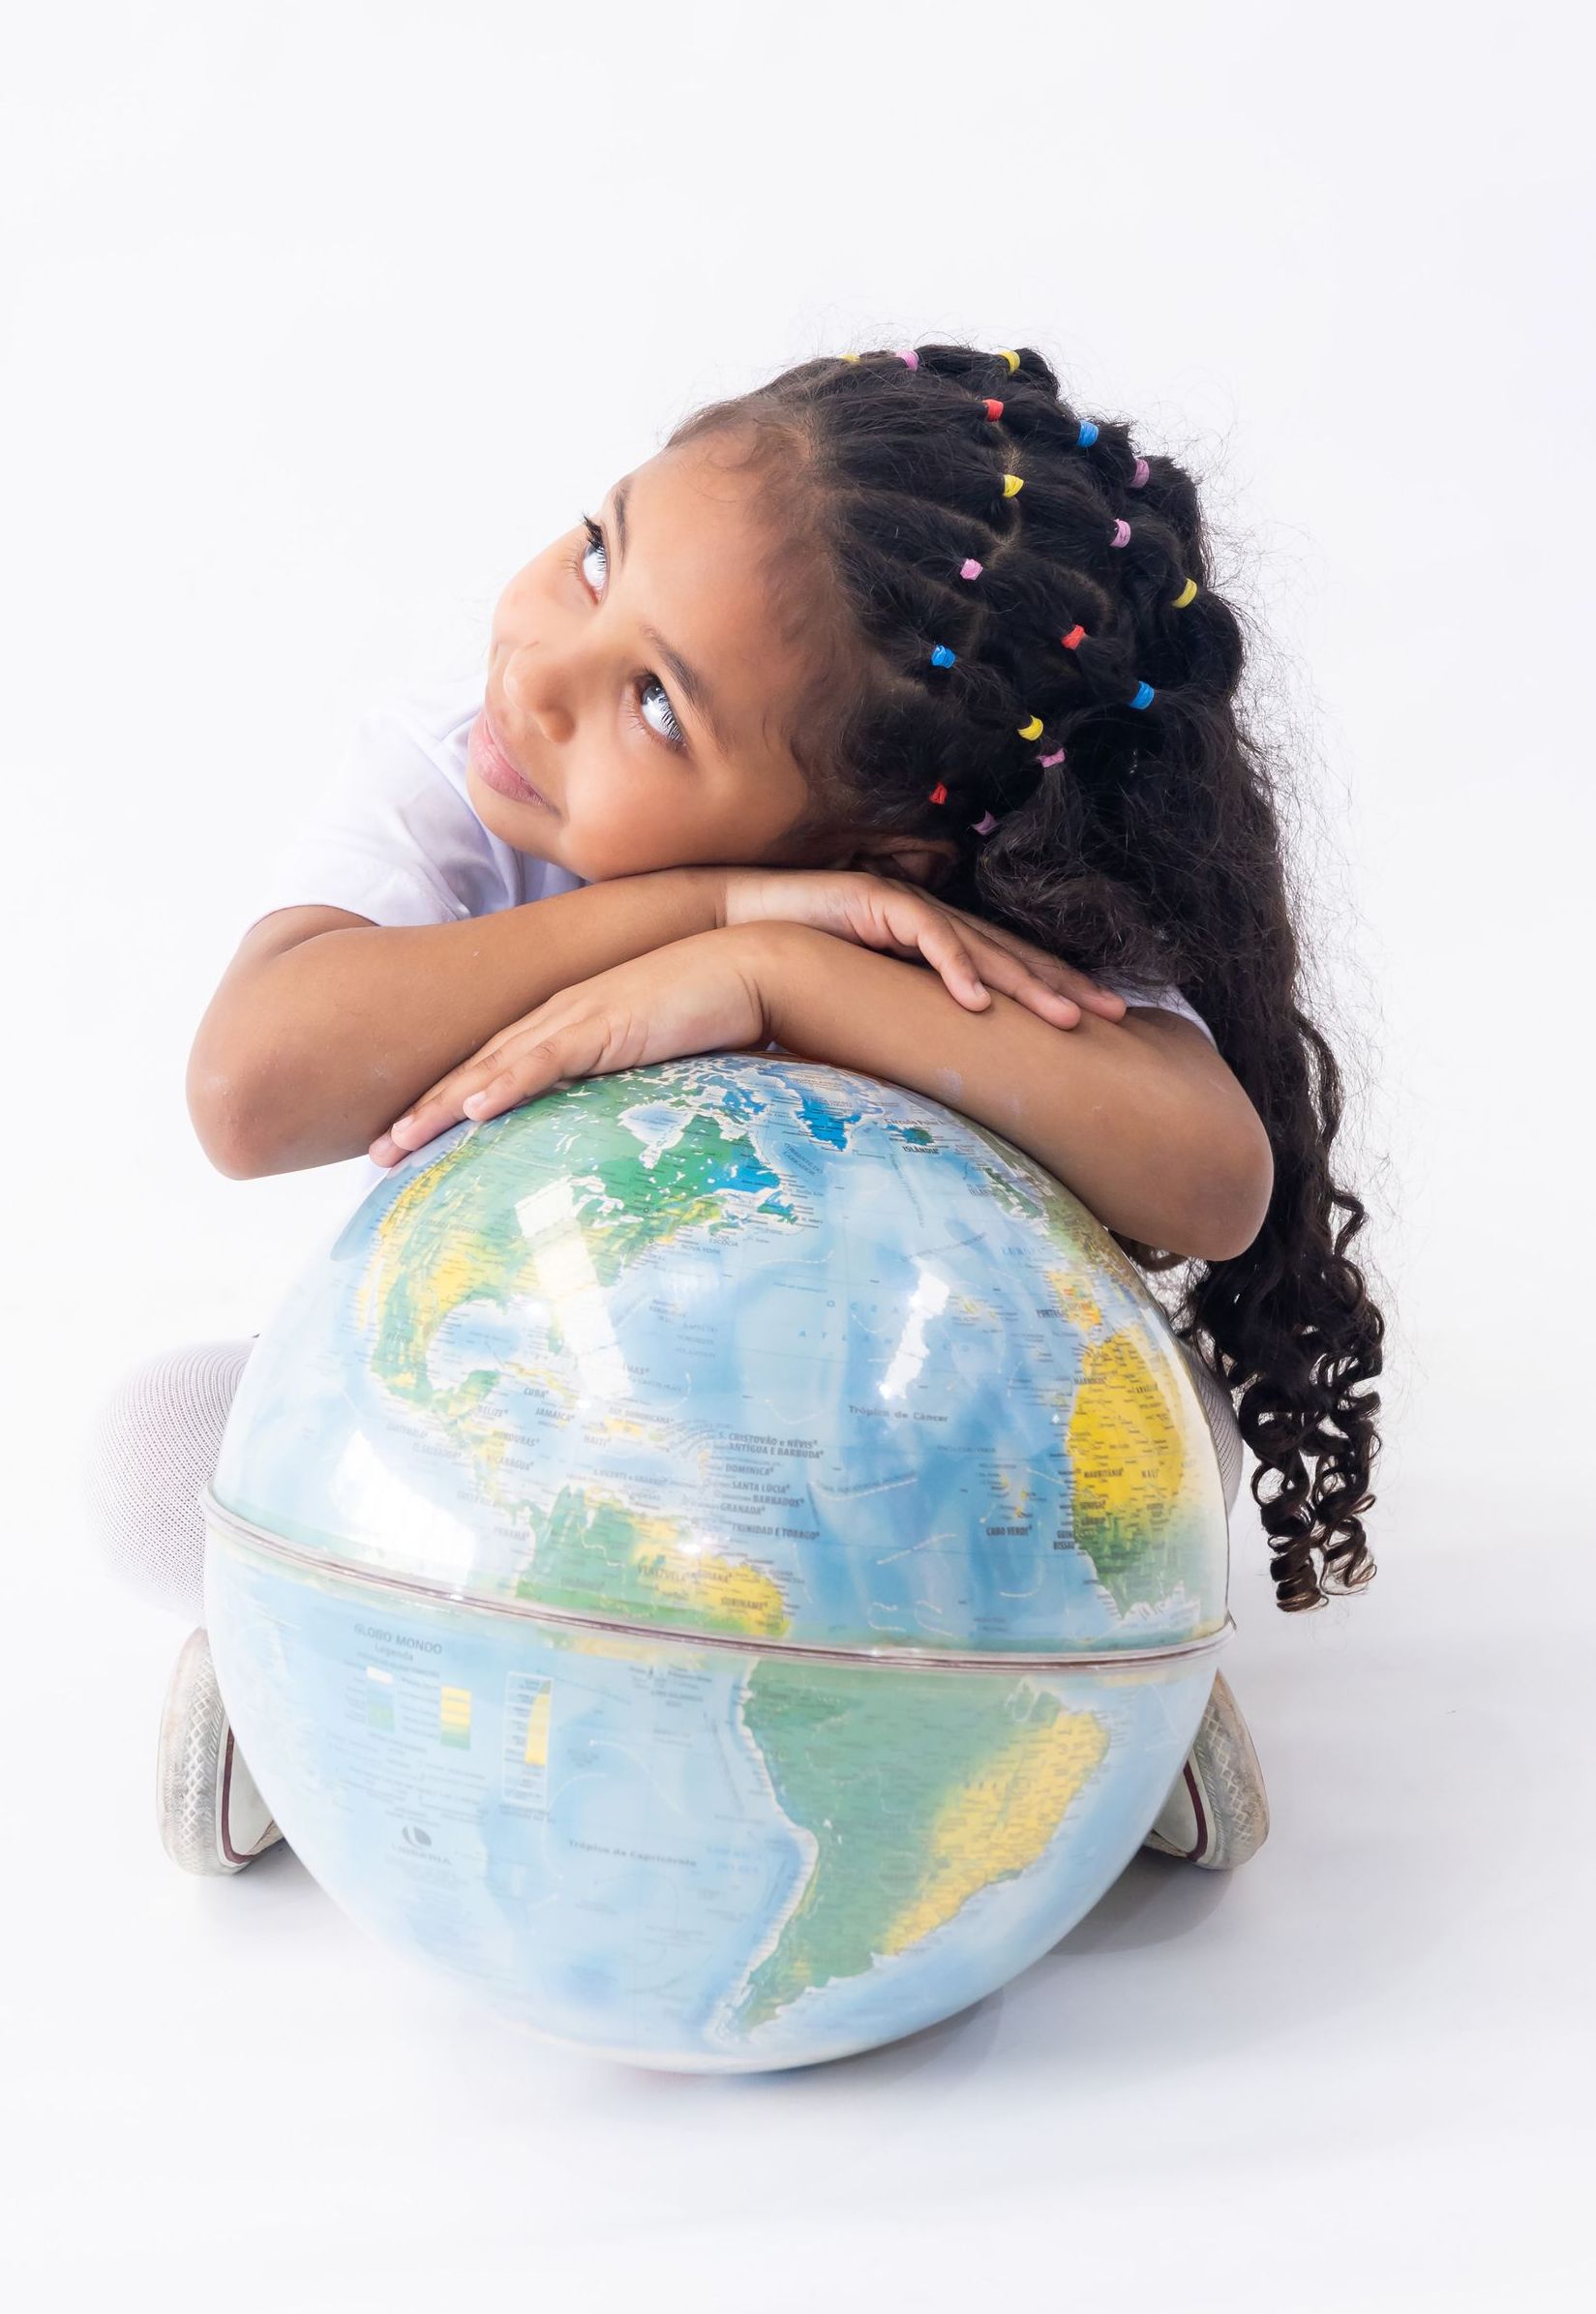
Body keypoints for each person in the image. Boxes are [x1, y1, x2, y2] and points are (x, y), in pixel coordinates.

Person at [85, 340, 1382, 1880]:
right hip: (517, 1423)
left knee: (1170, 1442)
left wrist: (781, 975)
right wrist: (699, 902)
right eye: (593, 554)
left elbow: (1211, 1181)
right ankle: (327, 1644)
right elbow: (246, 1093)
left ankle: (1060, 1714)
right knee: (158, 1453)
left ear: (891, 854)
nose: (537, 676)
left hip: (884, 1475)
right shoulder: (471, 770)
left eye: (652, 703)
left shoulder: (986, 901)